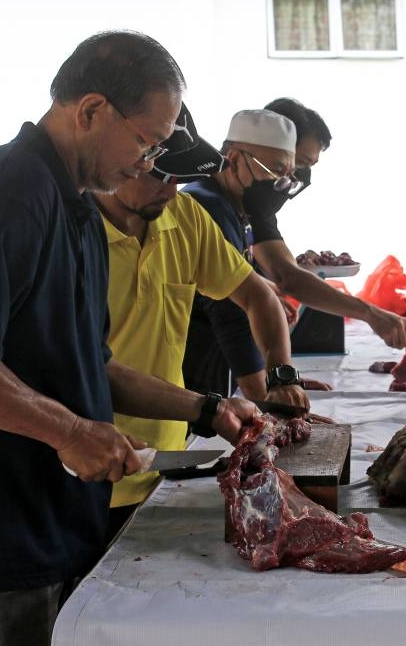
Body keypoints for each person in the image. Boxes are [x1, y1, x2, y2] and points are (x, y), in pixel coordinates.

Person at [0, 32, 258, 646]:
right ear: (92, 110)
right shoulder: (6, 191)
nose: (149, 163)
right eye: (146, 142)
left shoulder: (77, 208)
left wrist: (206, 409)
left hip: (56, 520)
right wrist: (70, 432)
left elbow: (91, 365)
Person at [92, 103, 308, 528]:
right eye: (160, 173)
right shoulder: (76, 232)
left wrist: (281, 374)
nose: (172, 191)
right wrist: (210, 407)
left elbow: (258, 297)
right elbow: (93, 367)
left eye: (180, 177)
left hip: (165, 466)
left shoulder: (184, 217)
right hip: (94, 462)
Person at [182, 109, 406, 400]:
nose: (280, 186)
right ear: (236, 158)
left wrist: (280, 380)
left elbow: (261, 287)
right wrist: (271, 393)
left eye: (289, 174)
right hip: (198, 377)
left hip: (222, 373)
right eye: (275, 171)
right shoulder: (205, 206)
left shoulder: (239, 206)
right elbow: (235, 308)